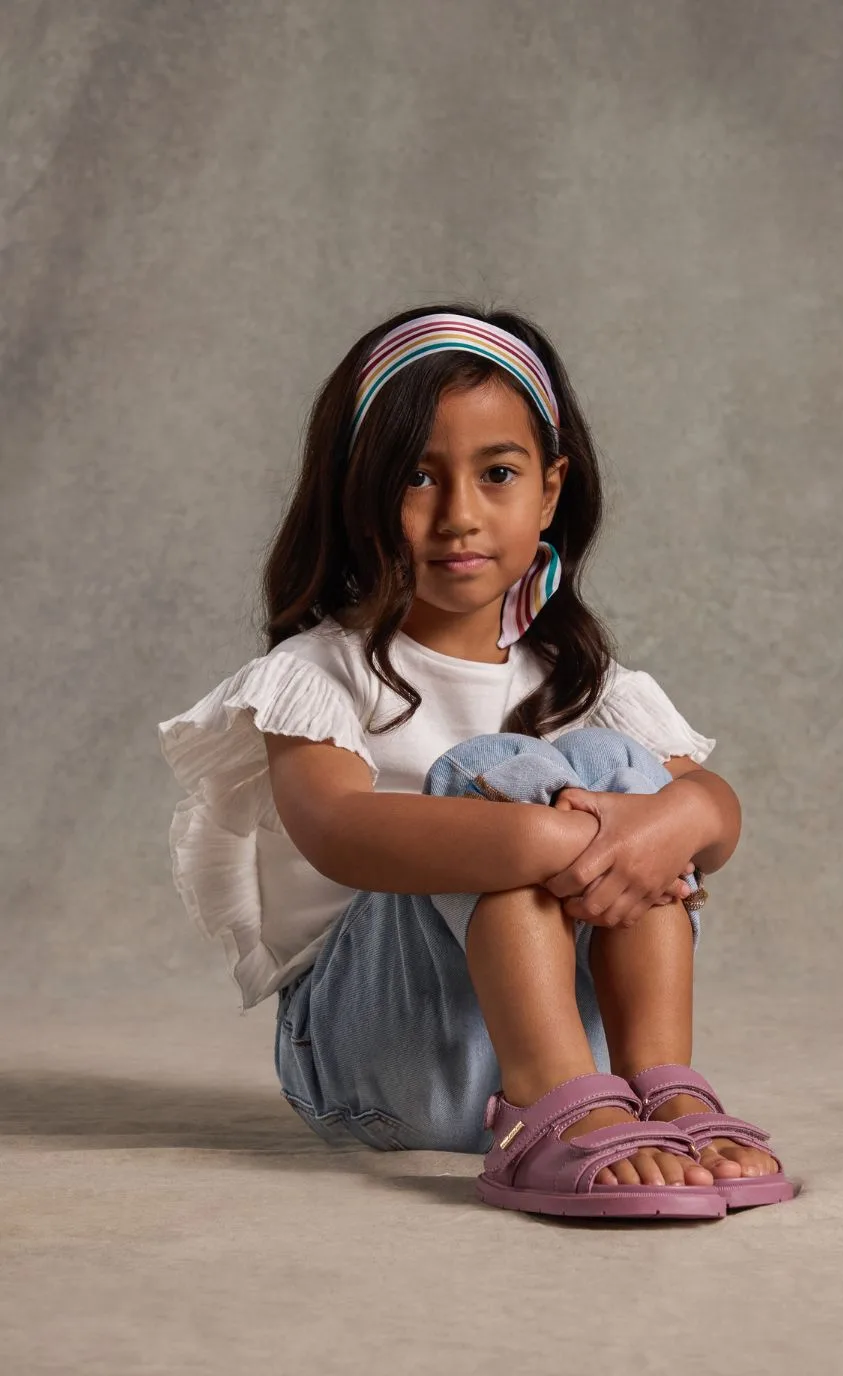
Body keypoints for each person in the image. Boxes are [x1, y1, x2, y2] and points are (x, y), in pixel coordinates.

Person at [158, 301, 793, 1220]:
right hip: (382, 1058)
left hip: (578, 1065)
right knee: (492, 772)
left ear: (550, 492)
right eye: (417, 478)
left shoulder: (585, 678)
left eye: (498, 473)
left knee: (619, 763)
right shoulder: (317, 672)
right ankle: (548, 1105)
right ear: (356, 493)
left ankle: (663, 1085)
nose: (459, 515)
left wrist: (679, 820)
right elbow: (340, 832)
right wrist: (553, 833)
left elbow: (712, 816)